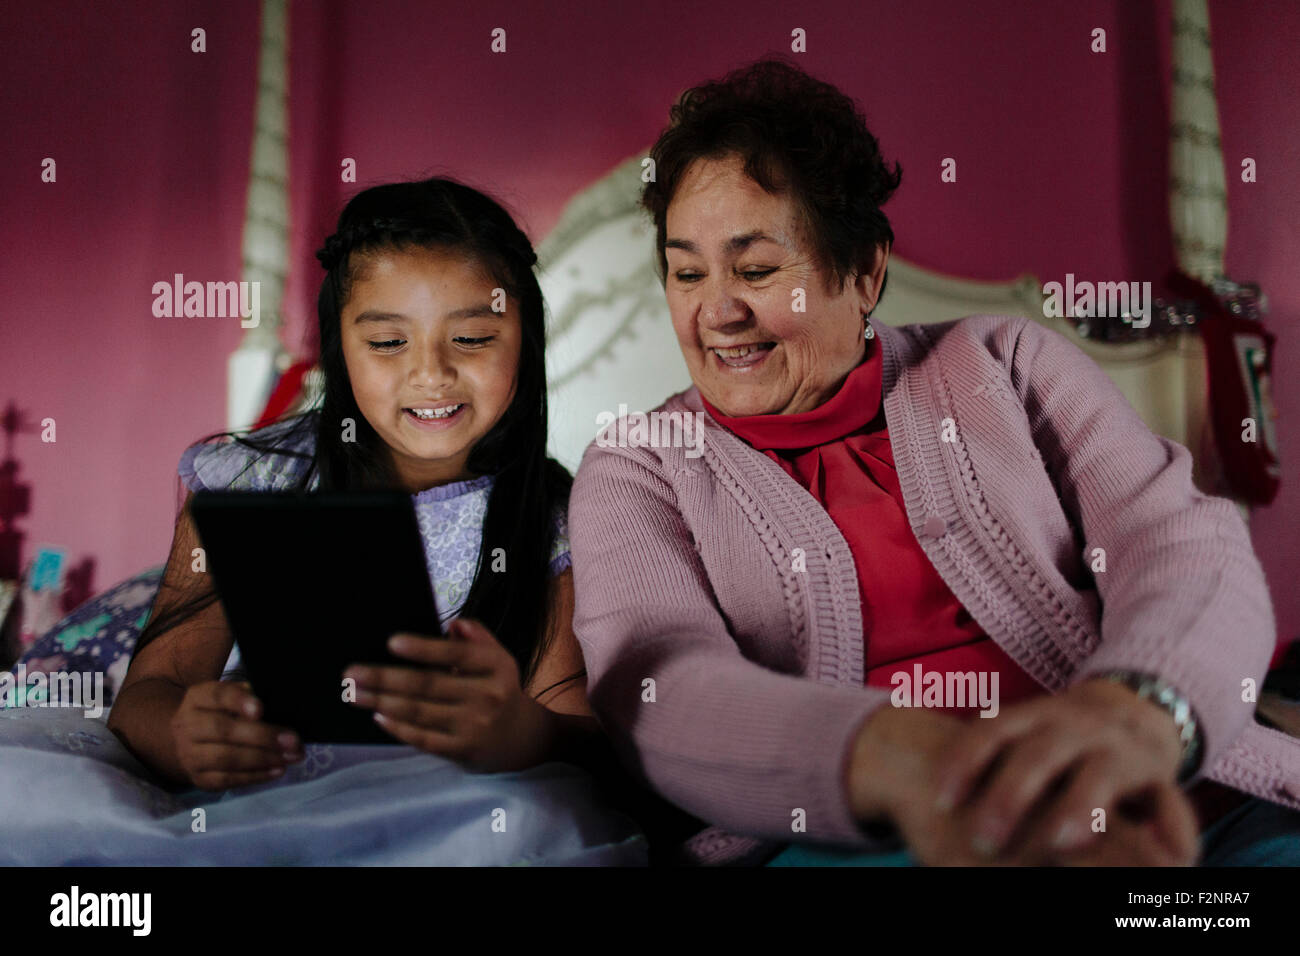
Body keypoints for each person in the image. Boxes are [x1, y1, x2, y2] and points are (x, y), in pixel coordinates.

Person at [566, 57, 1300, 866]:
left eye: (757, 270)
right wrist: (918, 769)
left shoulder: (1008, 365)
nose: (717, 312)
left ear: (865, 271)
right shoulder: (640, 465)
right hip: (855, 834)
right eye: (686, 272)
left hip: (1156, 792)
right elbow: (659, 686)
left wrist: (1131, 722)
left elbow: (1178, 543)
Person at [0, 177, 646, 865]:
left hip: (433, 801)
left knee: (535, 825)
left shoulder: (550, 518)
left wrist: (522, 732)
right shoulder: (257, 480)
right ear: (341, 347)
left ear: (525, 339)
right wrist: (186, 737)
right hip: (257, 787)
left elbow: (573, 728)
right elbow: (149, 696)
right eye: (388, 343)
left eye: (472, 337)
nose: (431, 373)